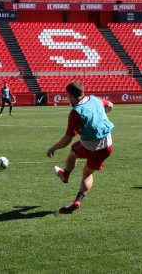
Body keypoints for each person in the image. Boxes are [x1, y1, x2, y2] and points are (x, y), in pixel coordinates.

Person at [46, 80, 114, 214]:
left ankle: (66, 175)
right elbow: (110, 105)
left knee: (73, 153)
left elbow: (67, 139)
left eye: (68, 96)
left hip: (89, 146)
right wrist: (100, 115)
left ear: (71, 96)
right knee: (87, 172)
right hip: (107, 146)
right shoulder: (95, 99)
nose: (68, 99)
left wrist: (52, 148)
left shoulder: (76, 112)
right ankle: (78, 200)